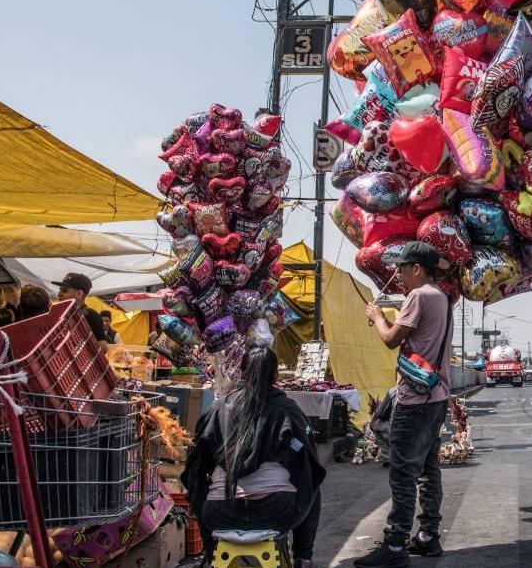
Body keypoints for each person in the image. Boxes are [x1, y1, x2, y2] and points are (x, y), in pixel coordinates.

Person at [183, 347, 325, 568]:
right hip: (276, 511)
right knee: (313, 484)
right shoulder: (288, 410)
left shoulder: (218, 409)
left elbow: (196, 467)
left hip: (219, 513)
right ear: (276, 376)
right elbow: (309, 465)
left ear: (241, 372)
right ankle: (303, 559)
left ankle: (211, 555)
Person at [357, 241, 452, 568]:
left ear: (418, 269)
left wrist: (378, 316)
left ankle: (395, 544)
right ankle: (428, 535)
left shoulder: (418, 296)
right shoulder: (443, 298)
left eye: (402, 268)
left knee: (403, 472)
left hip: (414, 401)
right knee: (428, 469)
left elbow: (390, 339)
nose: (398, 274)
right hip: (437, 396)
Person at [53, 273, 107, 343]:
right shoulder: (62, 314)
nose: (59, 294)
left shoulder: (91, 316)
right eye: (60, 290)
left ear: (79, 294)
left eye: (64, 290)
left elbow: (102, 347)